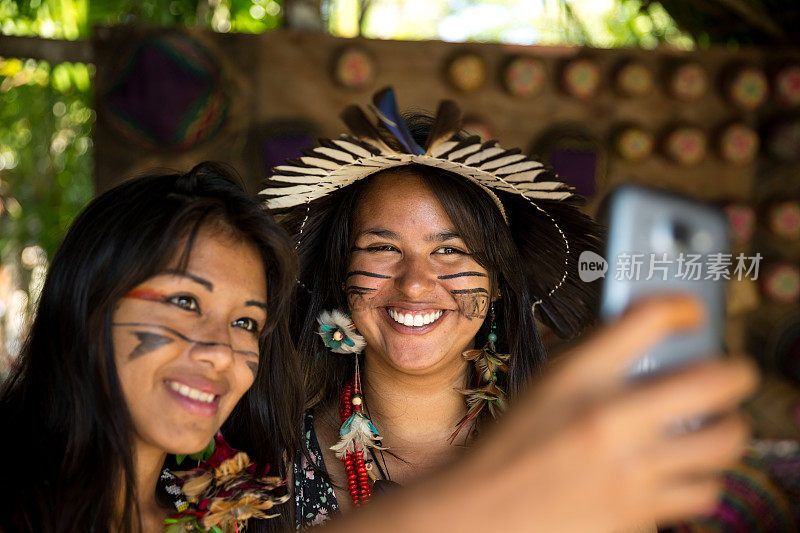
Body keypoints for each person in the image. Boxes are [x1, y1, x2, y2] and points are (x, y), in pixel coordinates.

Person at [261, 88, 755, 530]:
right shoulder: (265, 470)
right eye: (382, 248)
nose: (414, 285)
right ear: (341, 277)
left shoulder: (573, 461)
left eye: (450, 251)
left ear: (496, 283)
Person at [0, 162, 303, 533]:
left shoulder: (236, 520)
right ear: (91, 305)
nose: (222, 352)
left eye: (245, 323)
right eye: (185, 302)